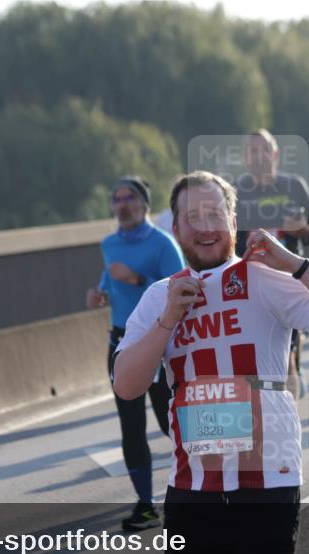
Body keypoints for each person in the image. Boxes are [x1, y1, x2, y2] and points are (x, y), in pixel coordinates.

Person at [111, 170, 309, 554]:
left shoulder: (262, 279)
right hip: (193, 493)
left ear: (234, 219)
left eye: (214, 214)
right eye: (191, 217)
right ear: (176, 228)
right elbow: (127, 386)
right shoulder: (158, 297)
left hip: (265, 485)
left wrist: (298, 265)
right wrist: (168, 320)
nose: (204, 226)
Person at [87, 176, 185, 531]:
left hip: (157, 343)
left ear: (144, 205)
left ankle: (212, 478)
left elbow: (181, 289)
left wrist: (137, 282)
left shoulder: (163, 244)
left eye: (130, 198)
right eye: (117, 199)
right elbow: (109, 277)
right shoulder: (109, 244)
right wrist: (98, 293)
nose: (123, 204)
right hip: (120, 340)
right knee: (131, 426)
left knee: (169, 420)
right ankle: (145, 505)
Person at [234, 129, 309, 398]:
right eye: (253, 151)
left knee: (287, 355)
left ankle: (288, 407)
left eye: (264, 150)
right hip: (253, 279)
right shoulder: (237, 191)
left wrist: (304, 230)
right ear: (246, 158)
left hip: (290, 277)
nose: (259, 156)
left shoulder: (293, 186)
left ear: (275, 154)